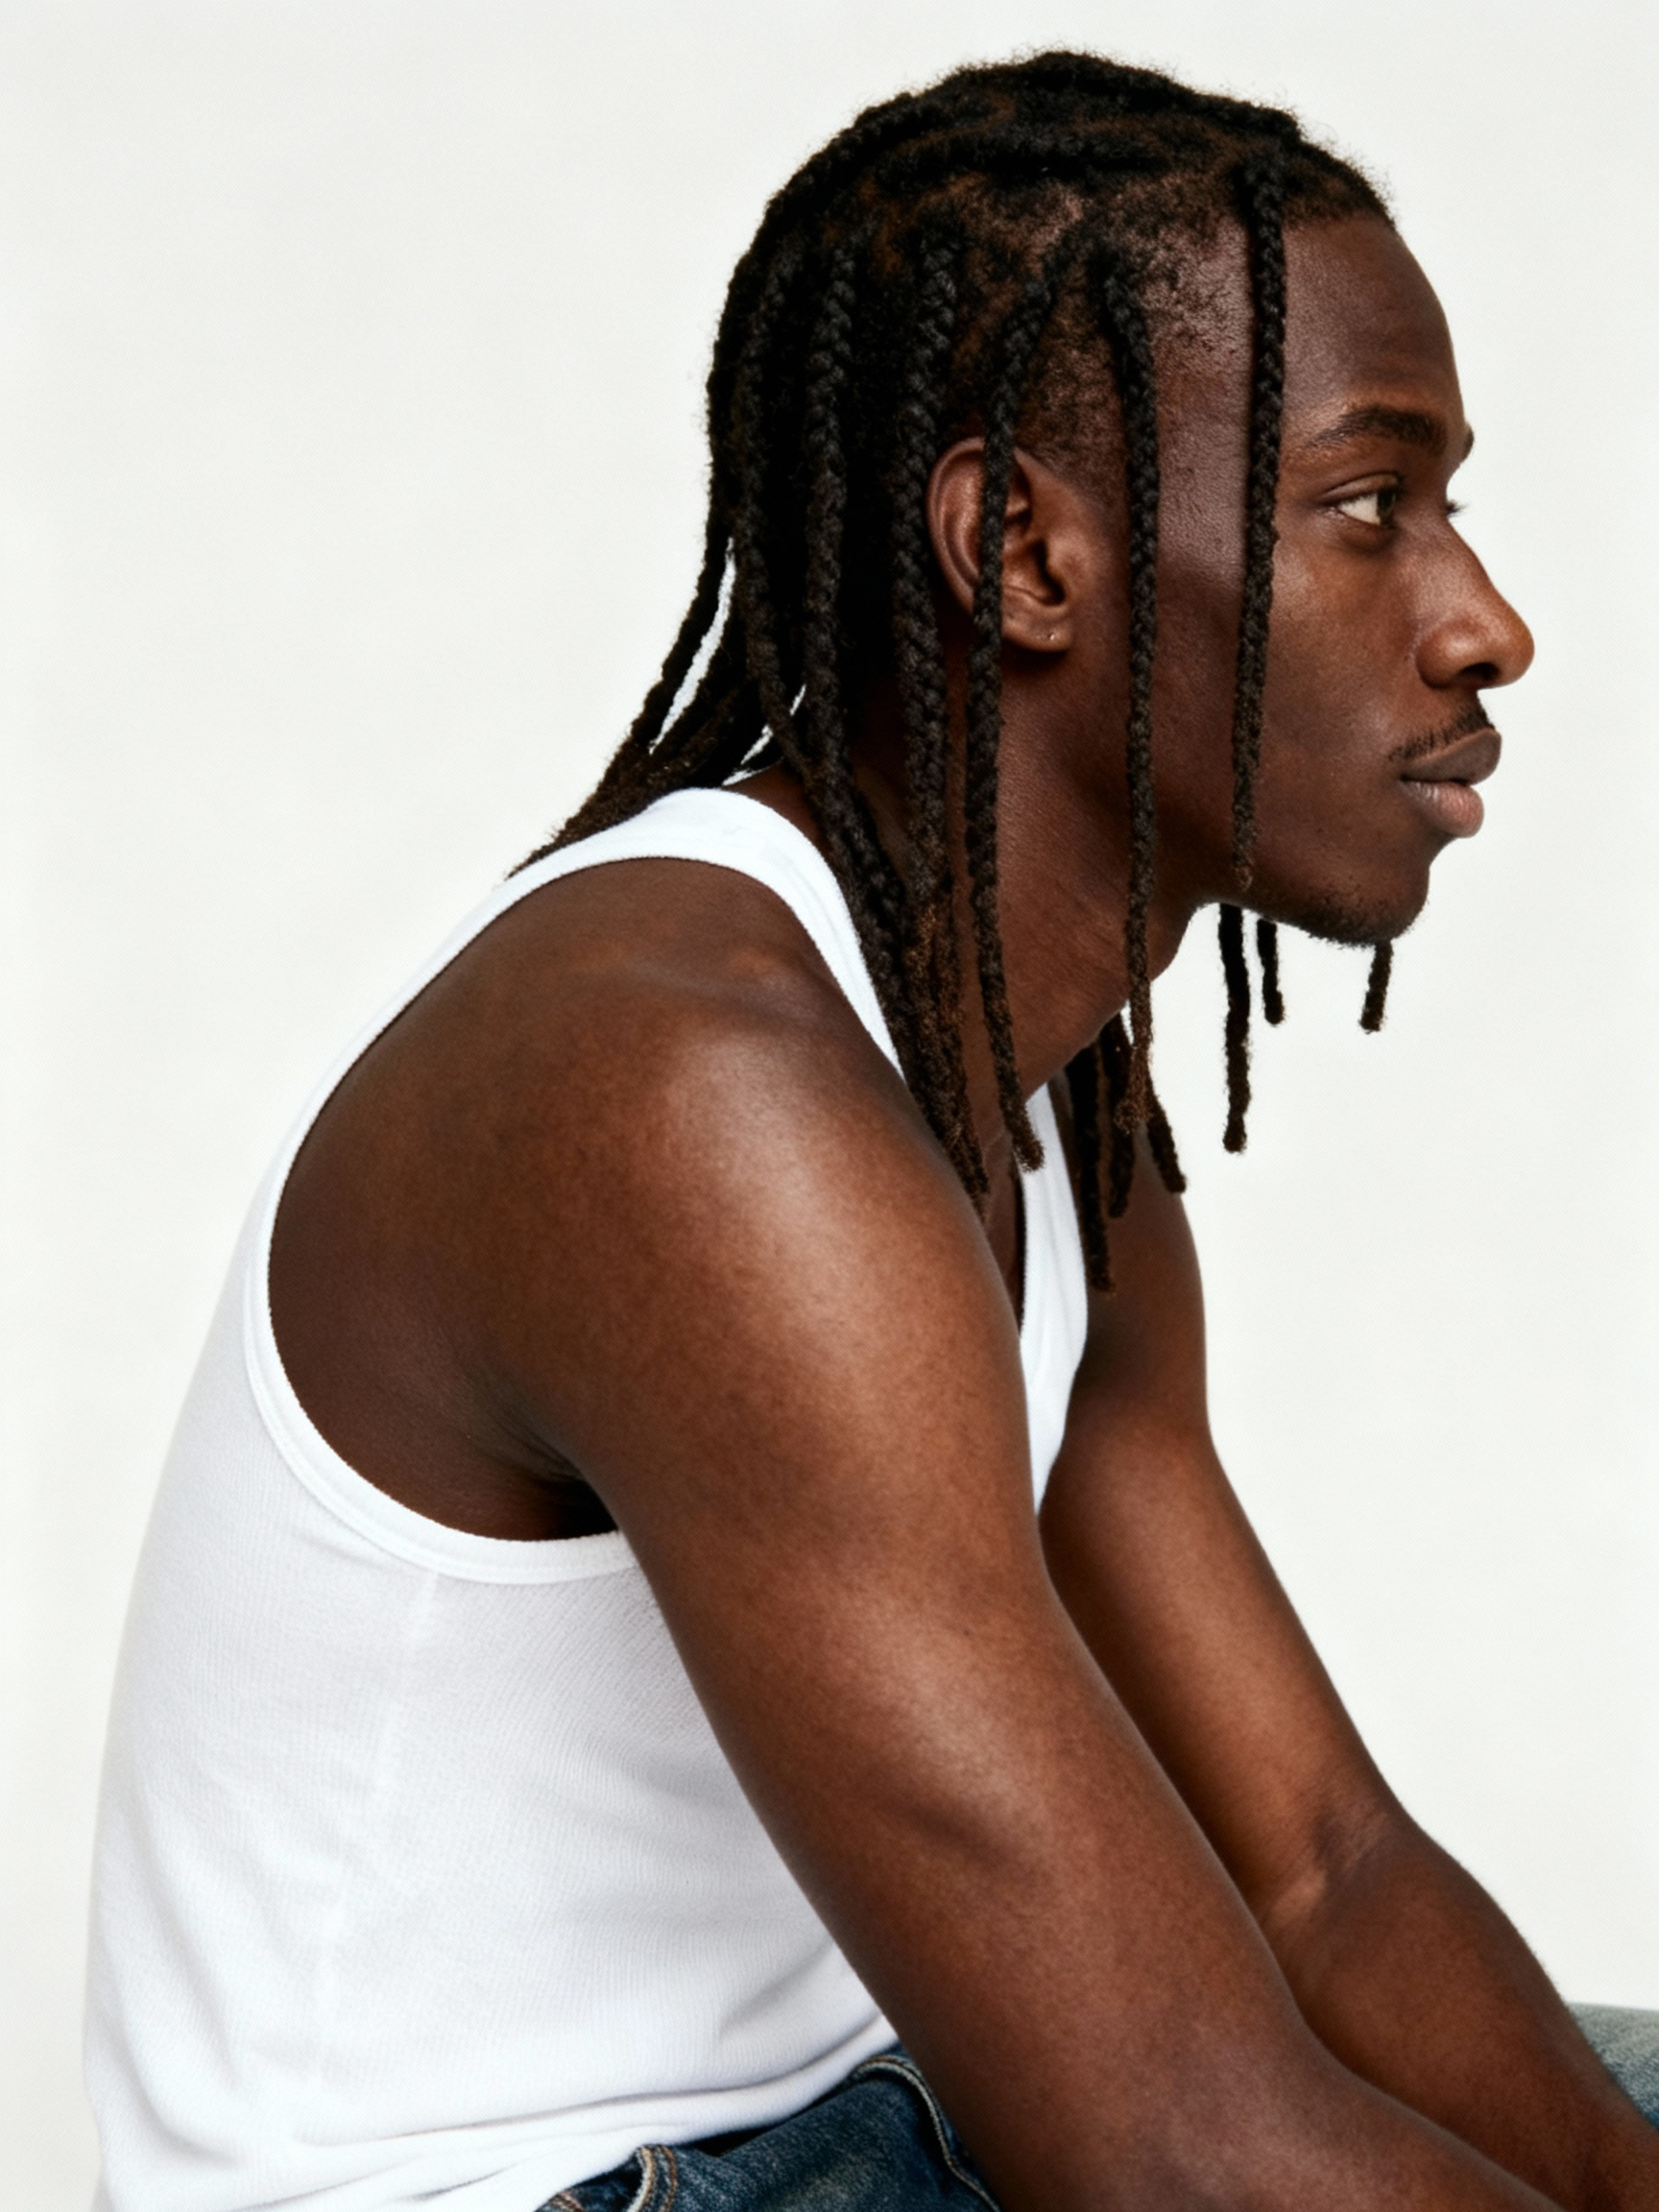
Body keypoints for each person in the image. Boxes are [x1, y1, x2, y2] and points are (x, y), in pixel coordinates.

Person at [85, 49, 1659, 2212]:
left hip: (885, 2120)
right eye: (1366, 507)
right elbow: (1183, 2149)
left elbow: (1320, 1874)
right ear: (1025, 549)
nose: (1486, 620)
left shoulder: (1035, 1078)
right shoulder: (693, 1096)